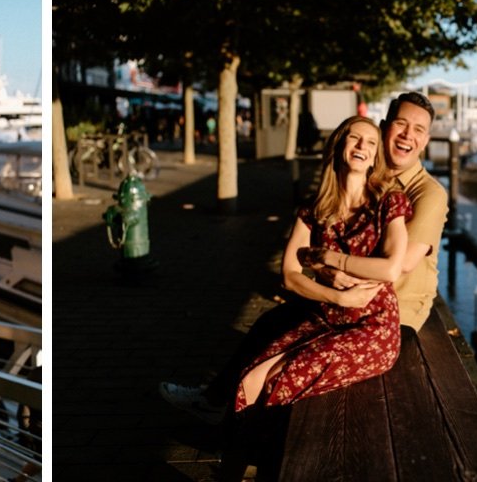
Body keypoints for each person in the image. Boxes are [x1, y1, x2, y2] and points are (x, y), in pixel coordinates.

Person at [160, 93, 448, 423]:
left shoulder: (426, 193)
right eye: (400, 124)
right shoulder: (367, 180)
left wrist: (327, 264)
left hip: (398, 309)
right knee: (271, 322)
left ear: (425, 140)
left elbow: (401, 263)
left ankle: (243, 420)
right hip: (345, 302)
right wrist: (325, 272)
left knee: (292, 359)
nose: (408, 135)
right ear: (384, 128)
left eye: (418, 130)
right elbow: (309, 250)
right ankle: (216, 399)